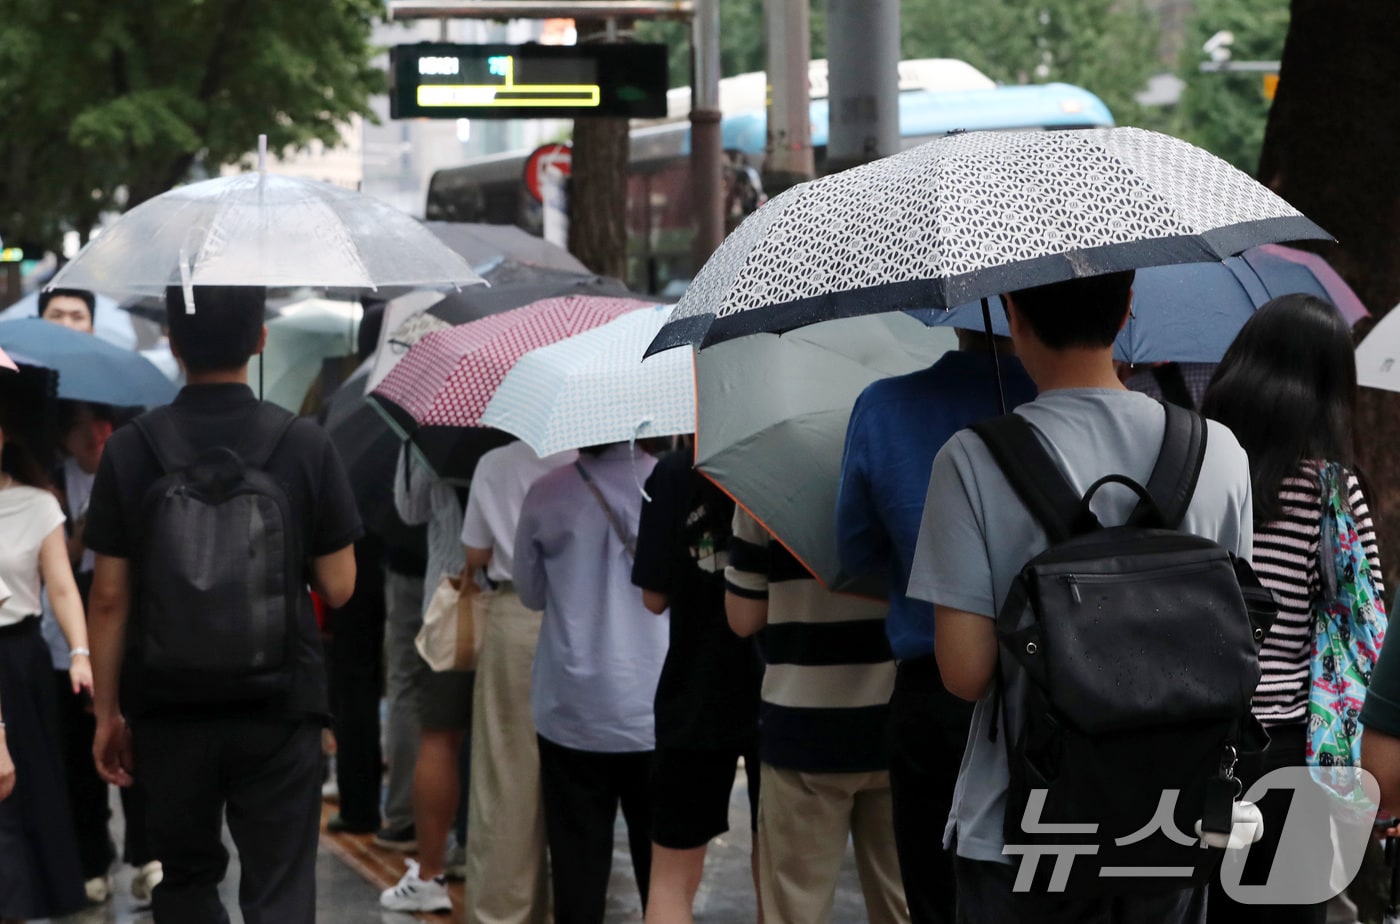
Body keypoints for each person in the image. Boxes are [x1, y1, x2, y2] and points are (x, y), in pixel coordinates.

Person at [908, 271, 1253, 923]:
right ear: (1127, 308)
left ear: (1012, 314)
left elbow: (964, 673)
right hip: (1170, 821)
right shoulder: (1219, 453)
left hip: (1022, 827)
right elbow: (1234, 647)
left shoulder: (972, 460)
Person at [86, 284, 361, 923]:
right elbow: (341, 586)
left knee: (184, 877)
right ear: (260, 339)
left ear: (174, 345)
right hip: (280, 706)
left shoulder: (131, 447)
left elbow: (106, 598)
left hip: (167, 708)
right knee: (280, 884)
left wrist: (107, 715)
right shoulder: (304, 443)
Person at [836, 330, 1035, 924]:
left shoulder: (884, 406)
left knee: (934, 898)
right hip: (1059, 694)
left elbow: (854, 554)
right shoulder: (1072, 408)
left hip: (933, 691)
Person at [1201, 294, 1382, 924]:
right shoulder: (1331, 489)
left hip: (1194, 733)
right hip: (1292, 745)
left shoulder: (1192, 468)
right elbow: (1367, 616)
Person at [726, 509, 909, 924]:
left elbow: (742, 617)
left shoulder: (766, 470)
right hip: (901, 726)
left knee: (795, 911)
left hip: (802, 728)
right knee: (906, 906)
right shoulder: (920, 460)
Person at [515, 442, 666, 924]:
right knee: (662, 870)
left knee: (577, 866)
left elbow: (530, 593)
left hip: (571, 709)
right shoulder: (670, 486)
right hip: (654, 703)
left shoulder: (545, 492)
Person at [632, 444, 762, 924]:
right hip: (779, 687)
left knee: (670, 877)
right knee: (780, 878)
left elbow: (653, 598)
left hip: (695, 686)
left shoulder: (672, 473)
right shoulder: (788, 461)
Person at [460, 439, 575, 924]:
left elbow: (476, 552)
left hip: (513, 614)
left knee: (506, 774)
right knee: (573, 775)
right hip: (579, 614)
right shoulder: (585, 462)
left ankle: (502, 912)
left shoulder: (492, 464)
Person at [0, 405, 92, 921]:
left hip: (19, 657)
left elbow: (61, 585)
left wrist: (80, 653)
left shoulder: (37, 504)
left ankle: (24, 899)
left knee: (25, 788)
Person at [379, 452, 476, 913]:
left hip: (452, 598)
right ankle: (506, 871)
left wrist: (410, 450)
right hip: (524, 600)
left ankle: (431, 873)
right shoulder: (540, 410)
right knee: (514, 748)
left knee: (439, 737)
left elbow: (410, 509)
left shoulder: (437, 424)